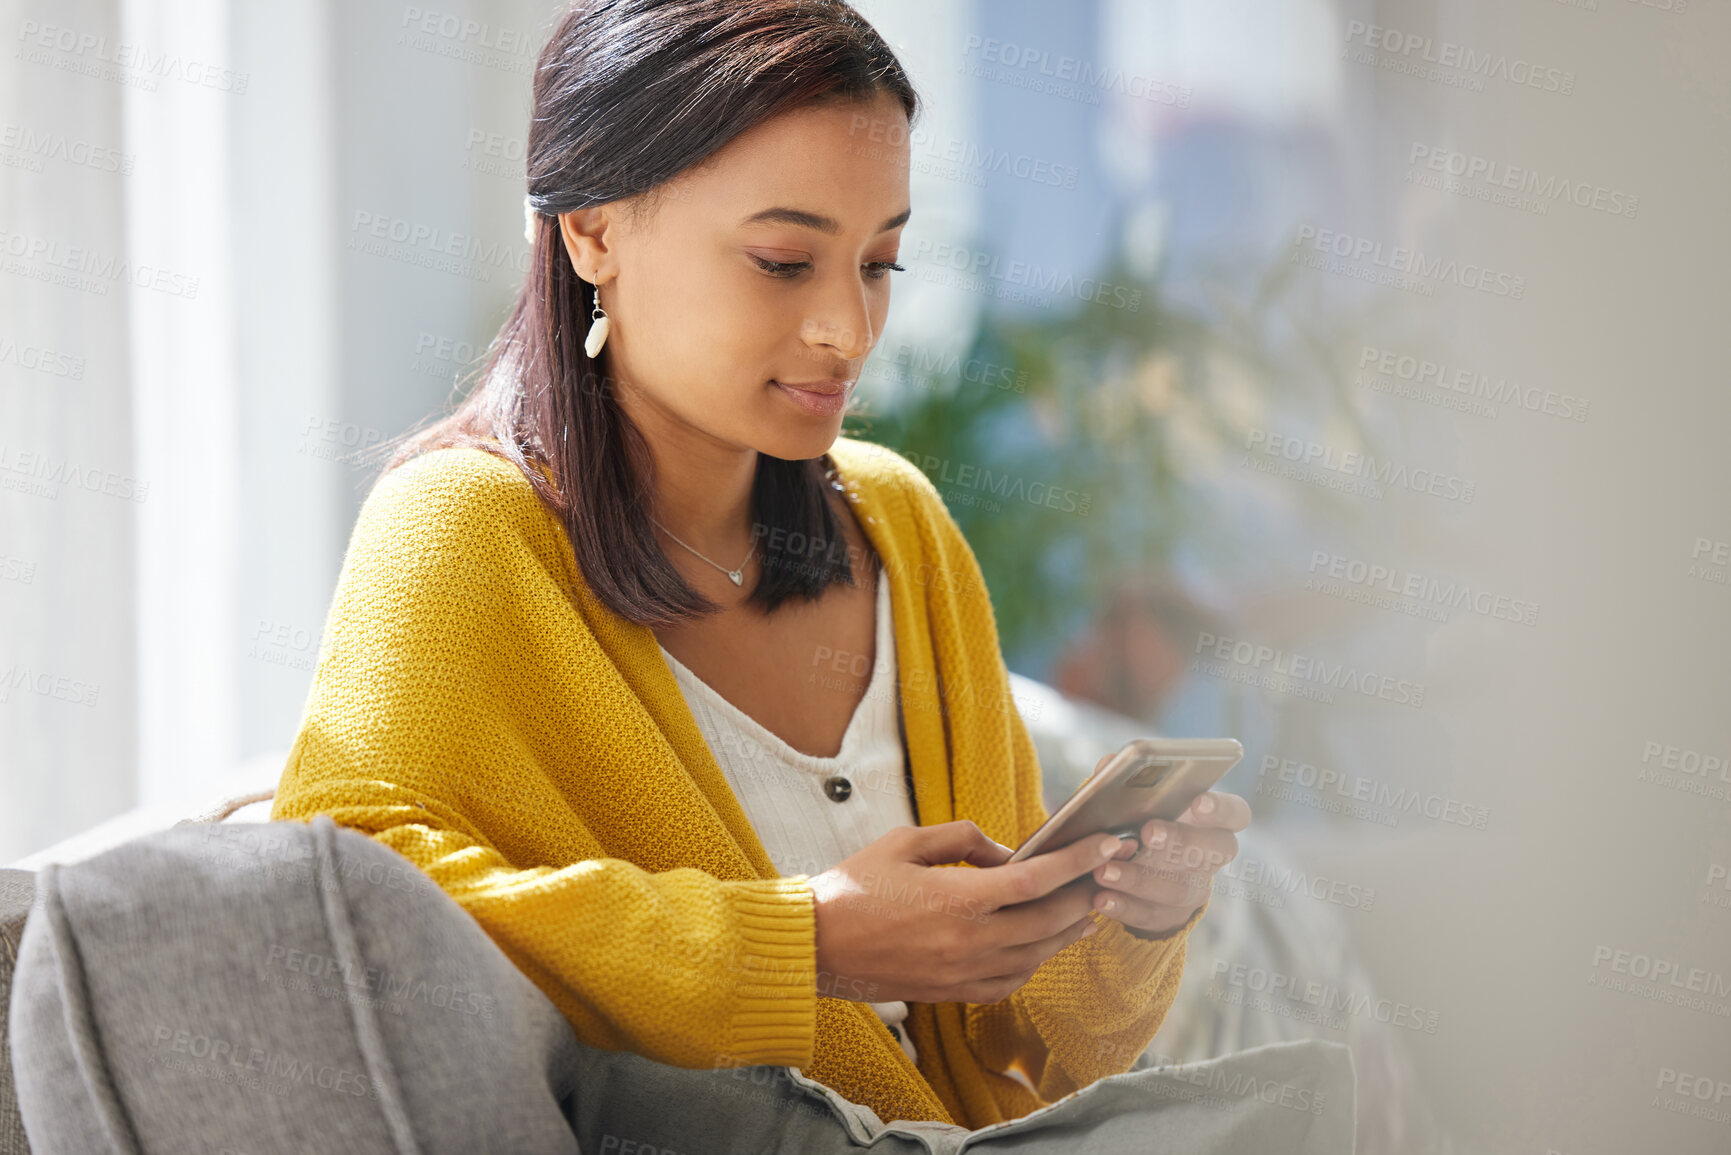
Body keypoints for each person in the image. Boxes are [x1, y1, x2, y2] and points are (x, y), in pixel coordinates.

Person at [262, 1, 1351, 1150]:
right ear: (591, 231)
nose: (847, 327)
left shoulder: (899, 526)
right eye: (783, 262)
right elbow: (340, 903)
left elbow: (1027, 1049)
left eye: (879, 261)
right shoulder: (462, 528)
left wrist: (1129, 920)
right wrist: (810, 945)